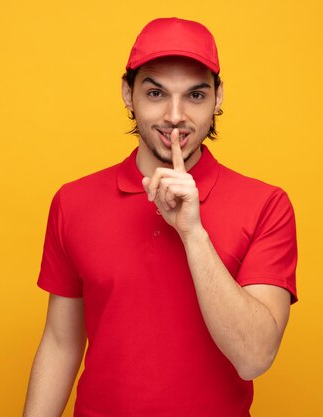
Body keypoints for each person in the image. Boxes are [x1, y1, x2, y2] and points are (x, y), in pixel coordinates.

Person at [23, 17, 298, 417]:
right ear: (127, 94)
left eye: (195, 96)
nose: (175, 115)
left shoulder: (267, 204)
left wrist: (193, 233)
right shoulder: (73, 201)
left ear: (218, 98)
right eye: (155, 93)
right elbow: (61, 343)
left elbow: (254, 357)